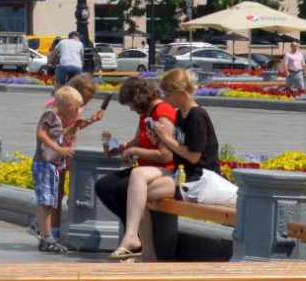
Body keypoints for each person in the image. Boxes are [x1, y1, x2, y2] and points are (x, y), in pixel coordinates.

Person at [108, 69, 220, 261]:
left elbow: (194, 157)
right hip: (183, 174)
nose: (165, 99)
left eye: (168, 95)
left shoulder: (197, 116)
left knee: (136, 192)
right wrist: (160, 138)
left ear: (182, 94)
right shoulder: (182, 114)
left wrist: (166, 138)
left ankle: (139, 243)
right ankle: (138, 243)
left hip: (200, 179)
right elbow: (177, 148)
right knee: (136, 185)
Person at [95, 76, 178, 260]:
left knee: (122, 189)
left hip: (163, 170)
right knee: (104, 186)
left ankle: (133, 239)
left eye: (131, 104)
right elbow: (137, 141)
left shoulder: (162, 111)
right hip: (146, 169)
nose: (131, 109)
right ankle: (132, 233)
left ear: (138, 97)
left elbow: (166, 154)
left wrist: (133, 150)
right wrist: (117, 147)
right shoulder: (146, 114)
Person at [32, 86, 82, 253]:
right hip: (45, 162)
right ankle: (46, 238)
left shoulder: (57, 118)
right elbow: (41, 134)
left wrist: (80, 124)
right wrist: (59, 149)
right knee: (46, 201)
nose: (77, 112)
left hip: (51, 163)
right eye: (76, 108)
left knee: (50, 200)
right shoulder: (50, 114)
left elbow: (59, 134)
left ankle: (43, 233)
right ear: (68, 105)